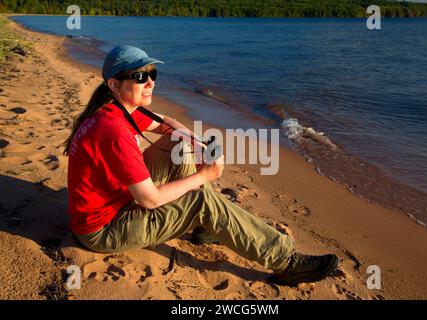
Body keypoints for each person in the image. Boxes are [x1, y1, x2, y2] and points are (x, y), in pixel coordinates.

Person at [63, 45, 338, 286]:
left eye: (152, 74)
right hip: (103, 231)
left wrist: (198, 144)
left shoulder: (116, 110)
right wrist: (204, 175)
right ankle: (285, 260)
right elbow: (149, 200)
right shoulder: (114, 130)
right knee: (200, 199)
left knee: (178, 145)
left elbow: (166, 122)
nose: (150, 83)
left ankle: (204, 228)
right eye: (139, 76)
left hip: (112, 203)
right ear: (114, 84)